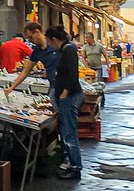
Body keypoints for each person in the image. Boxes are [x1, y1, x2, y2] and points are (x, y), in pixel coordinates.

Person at [46, 26, 83, 181]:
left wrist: (65, 92)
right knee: (67, 131)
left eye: (49, 41)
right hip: (66, 97)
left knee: (69, 133)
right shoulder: (66, 49)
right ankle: (71, 164)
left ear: (54, 39)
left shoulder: (69, 49)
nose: (49, 44)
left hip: (70, 97)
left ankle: (75, 167)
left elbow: (73, 73)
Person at [4, 22, 59, 101]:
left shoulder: (54, 42)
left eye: (30, 37)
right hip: (53, 86)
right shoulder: (37, 50)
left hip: (65, 87)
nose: (30, 41)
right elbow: (26, 71)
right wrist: (12, 87)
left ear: (37, 32)